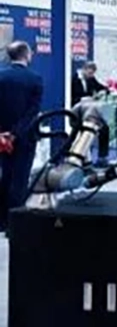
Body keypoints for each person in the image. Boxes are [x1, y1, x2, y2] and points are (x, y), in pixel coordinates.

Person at [0, 41, 43, 232]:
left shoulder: (1, 76)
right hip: (25, 137)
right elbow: (32, 111)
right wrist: (16, 133)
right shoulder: (35, 79)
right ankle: (15, 226)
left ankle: (2, 222)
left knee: (5, 176)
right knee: (20, 179)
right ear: (26, 55)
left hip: (2, 137)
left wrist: (4, 133)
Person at [71, 61, 110, 162]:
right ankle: (82, 158)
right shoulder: (73, 79)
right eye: (90, 73)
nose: (91, 76)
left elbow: (102, 87)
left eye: (92, 74)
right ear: (84, 69)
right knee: (86, 130)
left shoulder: (91, 79)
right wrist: (86, 98)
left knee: (105, 128)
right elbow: (71, 98)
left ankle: (102, 157)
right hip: (77, 112)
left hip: (89, 112)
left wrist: (103, 91)